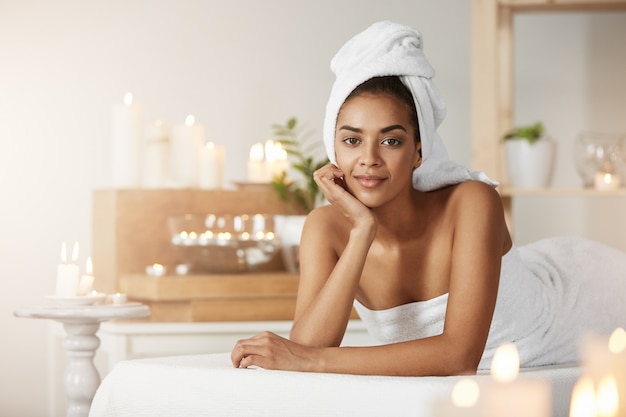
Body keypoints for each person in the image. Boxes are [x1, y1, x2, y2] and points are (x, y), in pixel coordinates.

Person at [231, 21, 626, 376]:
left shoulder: (471, 203)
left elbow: (458, 358)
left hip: (587, 301)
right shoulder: (327, 228)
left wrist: (311, 361)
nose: (368, 159)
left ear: (419, 150)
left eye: (391, 140)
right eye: (352, 140)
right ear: (334, 150)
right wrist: (362, 231)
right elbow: (307, 345)